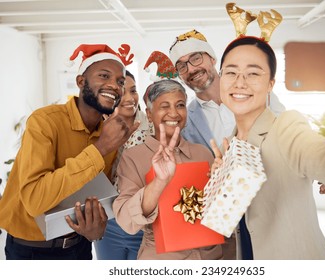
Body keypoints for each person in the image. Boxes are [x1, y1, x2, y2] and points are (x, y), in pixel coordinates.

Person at [210, 34, 325, 259]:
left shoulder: (285, 126)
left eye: (253, 73)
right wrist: (221, 189)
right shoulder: (227, 146)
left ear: (270, 84)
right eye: (230, 72)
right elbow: (229, 224)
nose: (240, 82)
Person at [0, 43, 138, 260]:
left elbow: (96, 197)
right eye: (104, 76)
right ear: (80, 81)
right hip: (30, 252)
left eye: (120, 82)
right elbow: (35, 201)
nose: (114, 86)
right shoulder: (44, 121)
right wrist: (100, 148)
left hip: (79, 249)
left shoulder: (111, 132)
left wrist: (97, 229)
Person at [113, 79, 224, 259]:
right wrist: (159, 182)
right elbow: (127, 221)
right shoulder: (133, 157)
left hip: (211, 256)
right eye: (164, 106)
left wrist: (226, 181)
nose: (174, 113)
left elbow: (220, 212)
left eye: (180, 105)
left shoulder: (203, 153)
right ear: (149, 114)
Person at [169, 29, 286, 152]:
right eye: (181, 66)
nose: (191, 69)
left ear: (212, 59)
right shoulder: (186, 122)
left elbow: (283, 130)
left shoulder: (255, 91)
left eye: (196, 58)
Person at [94, 70, 150, 260]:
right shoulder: (99, 129)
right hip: (108, 222)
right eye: (122, 91)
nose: (129, 98)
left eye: (133, 91)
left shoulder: (152, 125)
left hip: (142, 222)